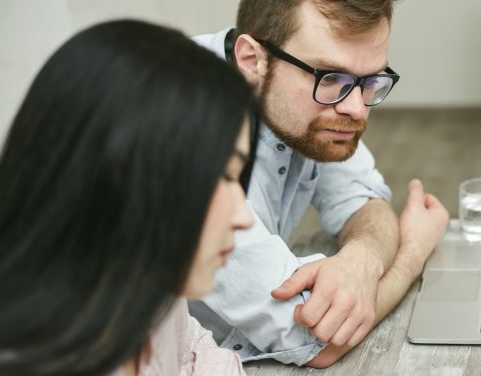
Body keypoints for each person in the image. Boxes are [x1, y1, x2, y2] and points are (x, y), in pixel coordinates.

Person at [189, 0, 450, 368]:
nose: (357, 110)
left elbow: (363, 199)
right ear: (252, 59)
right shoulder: (183, 127)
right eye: (331, 78)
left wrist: (362, 259)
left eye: (370, 81)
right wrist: (413, 254)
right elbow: (316, 340)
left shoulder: (307, 107)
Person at [0, 19, 258, 375]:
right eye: (223, 175)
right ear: (122, 172)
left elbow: (199, 350)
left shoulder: (151, 286)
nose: (244, 217)